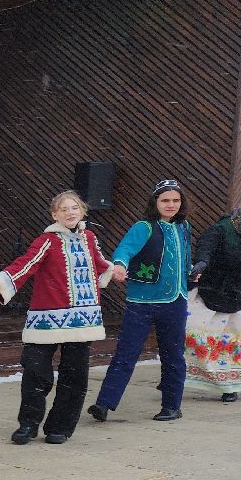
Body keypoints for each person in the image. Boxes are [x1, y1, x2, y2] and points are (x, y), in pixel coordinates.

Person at [0, 190, 114, 445]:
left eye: (74, 208)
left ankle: (60, 427)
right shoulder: (47, 240)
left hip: (83, 320)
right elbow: (27, 263)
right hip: (46, 319)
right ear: (54, 215)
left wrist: (115, 270)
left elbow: (100, 263)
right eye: (63, 209)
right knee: (36, 372)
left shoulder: (90, 238)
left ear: (82, 211)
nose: (70, 212)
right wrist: (0, 282)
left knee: (74, 377)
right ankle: (28, 424)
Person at [87, 180, 192, 423]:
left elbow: (185, 258)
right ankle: (104, 404)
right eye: (165, 200)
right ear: (155, 202)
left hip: (175, 301)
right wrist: (120, 266)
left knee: (173, 355)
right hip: (142, 301)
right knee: (126, 353)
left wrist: (190, 274)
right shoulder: (143, 227)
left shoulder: (184, 226)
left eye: (175, 200)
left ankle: (172, 406)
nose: (171, 205)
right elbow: (124, 251)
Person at [184, 200, 241, 402]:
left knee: (231, 342)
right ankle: (177, 376)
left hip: (234, 295)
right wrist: (202, 263)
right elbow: (206, 248)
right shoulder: (219, 230)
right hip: (209, 292)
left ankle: (229, 386)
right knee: (193, 336)